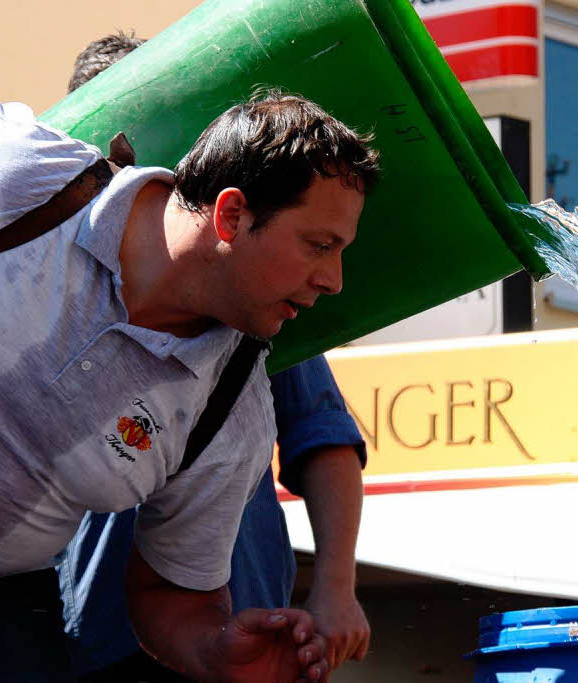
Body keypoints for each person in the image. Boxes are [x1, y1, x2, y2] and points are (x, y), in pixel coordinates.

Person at [0, 85, 379, 681]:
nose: (335, 280)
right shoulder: (9, 170)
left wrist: (216, 649)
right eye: (320, 246)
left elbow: (175, 598)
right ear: (230, 214)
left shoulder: (232, 417)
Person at [57, 32, 372, 680]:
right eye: (113, 150)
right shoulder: (54, 282)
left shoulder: (247, 301)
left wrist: (336, 587)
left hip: (237, 623)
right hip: (89, 633)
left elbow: (324, 439)